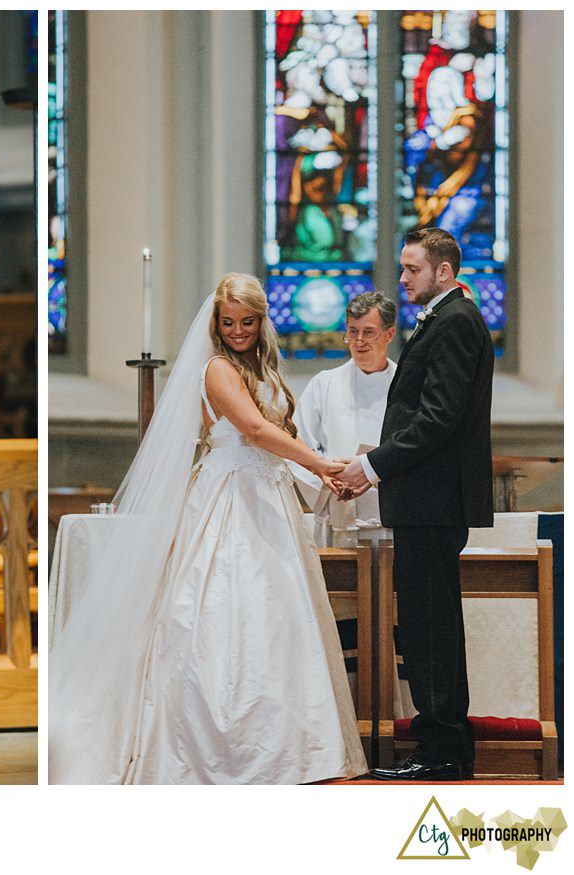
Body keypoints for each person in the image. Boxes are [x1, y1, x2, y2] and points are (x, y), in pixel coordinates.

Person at [50, 273, 367, 784]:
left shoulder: (263, 367)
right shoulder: (218, 368)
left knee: (279, 616)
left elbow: (281, 437)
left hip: (266, 496)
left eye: (248, 322)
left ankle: (291, 748)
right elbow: (256, 430)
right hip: (229, 496)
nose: (238, 331)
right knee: (219, 610)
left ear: (262, 321)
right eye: (229, 322)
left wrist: (323, 476)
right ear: (215, 325)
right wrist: (325, 463)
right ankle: (216, 748)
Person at [335, 227, 493, 781]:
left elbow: (437, 417)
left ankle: (443, 749)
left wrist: (372, 465)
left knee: (430, 627)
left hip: (433, 498)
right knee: (428, 624)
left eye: (412, 270)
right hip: (426, 497)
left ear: (442, 272)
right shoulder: (449, 318)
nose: (402, 279)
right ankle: (441, 744)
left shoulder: (453, 322)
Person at [290, 292, 397, 545]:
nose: (359, 341)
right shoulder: (324, 384)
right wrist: (325, 480)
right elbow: (298, 444)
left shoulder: (406, 383)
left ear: (389, 334)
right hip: (339, 515)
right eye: (352, 331)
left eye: (368, 332)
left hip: (394, 517)